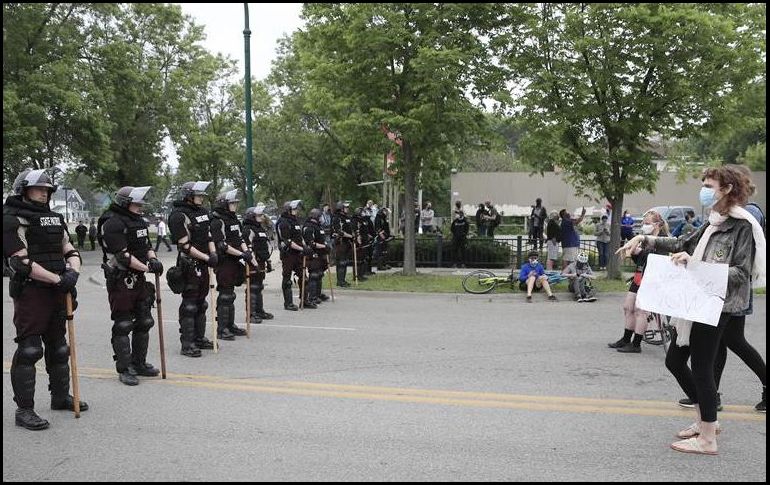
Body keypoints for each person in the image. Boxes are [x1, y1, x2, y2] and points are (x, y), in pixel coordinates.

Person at [618, 165, 766, 455]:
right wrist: (643, 239)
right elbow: (681, 243)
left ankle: (708, 436)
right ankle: (705, 421)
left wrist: (695, 264)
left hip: (718, 305)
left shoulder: (743, 225)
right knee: (674, 360)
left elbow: (741, 273)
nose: (704, 189)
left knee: (701, 367)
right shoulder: (713, 222)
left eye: (709, 185)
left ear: (727, 189)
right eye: (704, 183)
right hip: (694, 302)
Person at [3, 168, 88, 430]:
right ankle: (24, 410)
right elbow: (22, 261)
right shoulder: (11, 219)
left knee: (59, 347)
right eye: (39, 188)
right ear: (23, 190)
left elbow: (69, 249)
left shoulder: (54, 218)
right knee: (30, 350)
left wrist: (72, 273)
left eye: (48, 189)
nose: (44, 192)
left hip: (58, 290)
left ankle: (60, 396)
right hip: (32, 291)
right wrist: (56, 279)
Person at [98, 186, 163, 386]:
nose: (141, 206)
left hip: (139, 278)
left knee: (144, 321)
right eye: (137, 203)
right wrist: (146, 268)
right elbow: (122, 256)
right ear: (126, 203)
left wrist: (153, 259)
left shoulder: (138, 221)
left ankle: (139, 363)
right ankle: (125, 368)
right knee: (123, 323)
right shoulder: (112, 223)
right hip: (121, 279)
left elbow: (146, 245)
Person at [168, 181, 217, 357]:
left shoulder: (203, 213)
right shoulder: (178, 216)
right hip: (190, 264)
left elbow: (209, 234)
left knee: (201, 303)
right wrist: (206, 257)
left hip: (204, 262)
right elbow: (185, 246)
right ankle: (187, 344)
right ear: (189, 196)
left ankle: (199, 338)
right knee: (189, 304)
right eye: (199, 195)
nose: (202, 198)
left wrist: (213, 254)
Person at [608, 209, 669, 354]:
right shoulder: (644, 238)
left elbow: (657, 261)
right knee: (628, 307)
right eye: (643, 223)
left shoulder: (663, 240)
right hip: (639, 276)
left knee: (640, 311)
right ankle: (625, 339)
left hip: (652, 280)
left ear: (657, 224)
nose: (644, 225)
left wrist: (641, 252)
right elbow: (640, 259)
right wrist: (635, 251)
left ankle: (636, 344)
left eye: (647, 223)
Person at [210, 190, 252, 340]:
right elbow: (222, 244)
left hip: (235, 260)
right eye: (232, 203)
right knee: (225, 295)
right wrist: (241, 254)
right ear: (224, 204)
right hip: (224, 261)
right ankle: (222, 328)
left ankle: (230, 324)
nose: (235, 205)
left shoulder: (234, 220)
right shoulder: (217, 221)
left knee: (231, 294)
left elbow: (240, 238)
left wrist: (247, 252)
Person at [242, 206, 274, 324]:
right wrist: (254, 263)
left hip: (261, 261)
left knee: (259, 286)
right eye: (259, 215)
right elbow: (248, 248)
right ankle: (251, 313)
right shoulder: (248, 229)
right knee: (253, 287)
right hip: (253, 262)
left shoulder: (260, 229)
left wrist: (268, 262)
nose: (261, 217)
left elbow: (265, 246)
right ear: (252, 216)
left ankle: (259, 311)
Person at [276, 200, 307, 310]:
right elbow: (287, 241)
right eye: (294, 209)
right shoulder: (283, 222)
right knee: (287, 279)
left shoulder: (295, 221)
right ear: (288, 210)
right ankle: (288, 303)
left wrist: (305, 246)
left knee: (304, 277)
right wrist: (301, 248)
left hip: (298, 253)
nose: (296, 211)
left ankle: (305, 300)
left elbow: (299, 237)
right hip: (288, 254)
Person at [303, 208, 330, 305]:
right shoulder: (309, 227)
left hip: (321, 254)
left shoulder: (318, 226)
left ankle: (318, 294)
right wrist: (324, 246)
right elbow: (310, 243)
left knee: (319, 274)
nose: (321, 218)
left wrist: (325, 245)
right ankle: (312, 297)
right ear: (316, 217)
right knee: (314, 275)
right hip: (313, 254)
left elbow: (321, 239)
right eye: (320, 216)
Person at [332, 201, 354, 287]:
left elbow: (349, 227)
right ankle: (340, 281)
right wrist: (350, 236)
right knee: (341, 262)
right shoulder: (337, 218)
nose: (347, 209)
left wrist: (352, 235)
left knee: (344, 262)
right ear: (341, 209)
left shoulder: (346, 217)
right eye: (346, 208)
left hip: (346, 242)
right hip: (340, 242)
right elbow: (339, 231)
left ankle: (343, 280)